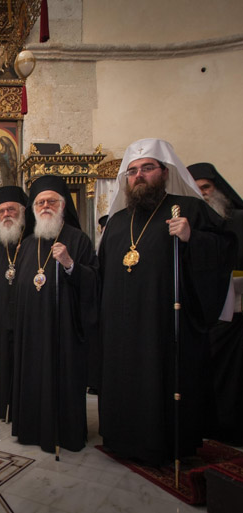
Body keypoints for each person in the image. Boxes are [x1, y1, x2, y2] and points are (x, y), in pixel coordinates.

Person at [98, 139, 235, 466]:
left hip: (164, 326)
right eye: (133, 171)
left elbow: (225, 248)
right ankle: (122, 439)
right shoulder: (117, 221)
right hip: (121, 329)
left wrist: (192, 238)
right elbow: (102, 275)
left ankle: (165, 444)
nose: (139, 176)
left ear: (164, 172)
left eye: (147, 168)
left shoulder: (188, 209)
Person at [11, 175, 98, 453]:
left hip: (64, 329)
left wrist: (70, 264)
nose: (45, 206)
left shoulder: (78, 239)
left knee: (62, 379)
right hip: (31, 329)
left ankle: (65, 433)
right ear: (33, 209)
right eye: (40, 202)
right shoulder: (27, 244)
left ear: (63, 205)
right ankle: (31, 430)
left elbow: (95, 282)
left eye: (52, 201)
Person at [187, 162, 243, 445]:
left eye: (206, 187)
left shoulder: (239, 220)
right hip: (200, 314)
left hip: (237, 314)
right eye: (196, 190)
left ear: (218, 188)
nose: (203, 194)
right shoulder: (189, 224)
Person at [0, 186, 28, 421]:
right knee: (3, 365)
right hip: (2, 320)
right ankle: (4, 409)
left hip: (27, 321)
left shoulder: (31, 240)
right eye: (1, 211)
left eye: (11, 209)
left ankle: (22, 411)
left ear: (22, 211)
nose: (6, 215)